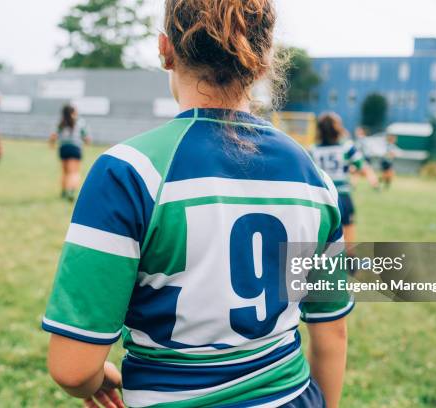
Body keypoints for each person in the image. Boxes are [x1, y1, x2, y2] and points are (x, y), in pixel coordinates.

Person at [43, 1, 353, 407]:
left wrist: (95, 377)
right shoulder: (315, 178)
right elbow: (332, 332)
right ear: (262, 62)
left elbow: (73, 368)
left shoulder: (127, 172)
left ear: (165, 50)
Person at [311, 113, 378, 251]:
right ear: (337, 128)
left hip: (321, 197)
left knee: (322, 233)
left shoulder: (312, 150)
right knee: (348, 228)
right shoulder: (347, 147)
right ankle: (350, 259)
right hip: (342, 196)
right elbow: (363, 166)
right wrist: (373, 180)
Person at [49, 104, 90, 202]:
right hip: (75, 149)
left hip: (63, 149)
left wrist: (52, 144)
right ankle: (71, 191)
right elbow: (86, 138)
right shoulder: (80, 122)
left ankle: (63, 191)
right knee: (74, 172)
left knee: (65, 172)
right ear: (73, 112)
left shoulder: (60, 123)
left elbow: (53, 136)